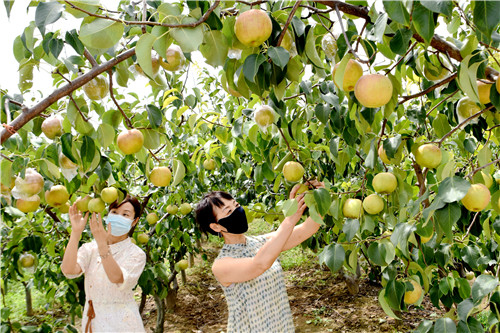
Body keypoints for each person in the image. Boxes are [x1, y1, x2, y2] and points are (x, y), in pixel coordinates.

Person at [195, 180, 324, 332]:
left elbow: (306, 230)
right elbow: (260, 264)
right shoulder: (221, 265)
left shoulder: (261, 242)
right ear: (216, 226)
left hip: (281, 326)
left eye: (236, 205)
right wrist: (290, 218)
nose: (237, 211)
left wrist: (321, 198)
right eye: (228, 212)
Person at [61, 195, 146, 333]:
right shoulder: (90, 248)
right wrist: (76, 233)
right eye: (114, 212)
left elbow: (116, 277)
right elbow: (69, 270)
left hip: (122, 324)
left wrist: (102, 244)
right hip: (93, 321)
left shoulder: (136, 254)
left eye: (125, 214)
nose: (118, 217)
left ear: (134, 221)